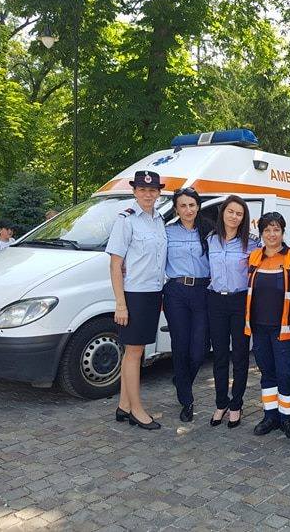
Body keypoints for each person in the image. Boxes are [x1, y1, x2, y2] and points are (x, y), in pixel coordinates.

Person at [106, 170, 167, 430]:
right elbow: (115, 264)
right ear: (134, 191)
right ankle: (137, 410)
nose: (147, 195)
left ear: (159, 193)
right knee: (134, 353)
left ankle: (123, 405)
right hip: (134, 294)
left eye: (152, 190)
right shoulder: (126, 220)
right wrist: (121, 303)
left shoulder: (159, 220)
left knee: (135, 351)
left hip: (153, 292)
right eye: (142, 190)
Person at [244, 212, 290, 440]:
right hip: (259, 328)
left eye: (276, 229)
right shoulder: (255, 257)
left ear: (283, 232)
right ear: (261, 234)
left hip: (283, 329)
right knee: (267, 372)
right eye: (267, 230)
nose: (271, 234)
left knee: (285, 373)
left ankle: (288, 418)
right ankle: (270, 416)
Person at [163, 188, 214, 423]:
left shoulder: (210, 230)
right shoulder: (167, 232)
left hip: (203, 291)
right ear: (176, 208)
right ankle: (186, 399)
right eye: (183, 205)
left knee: (199, 349)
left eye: (192, 205)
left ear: (198, 206)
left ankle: (181, 379)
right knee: (180, 345)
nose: (188, 210)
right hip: (176, 292)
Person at [208, 195, 257, 428]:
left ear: (244, 217)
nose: (234, 216)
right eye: (231, 211)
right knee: (219, 355)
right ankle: (221, 403)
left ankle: (236, 404)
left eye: (239, 213)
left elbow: (275, 252)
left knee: (239, 355)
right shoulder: (210, 240)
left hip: (240, 302)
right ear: (223, 213)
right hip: (216, 301)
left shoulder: (252, 243)